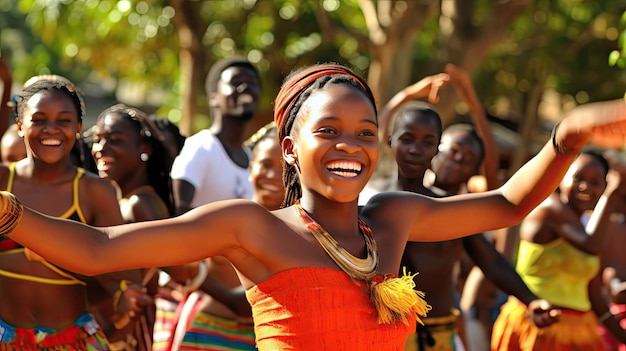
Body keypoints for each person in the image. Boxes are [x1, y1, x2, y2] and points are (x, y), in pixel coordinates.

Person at [2, 63, 626, 351]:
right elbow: (98, 249)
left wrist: (566, 138)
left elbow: (509, 203)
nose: (350, 146)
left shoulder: (391, 217)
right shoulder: (250, 227)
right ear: (290, 147)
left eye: (363, 131)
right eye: (328, 131)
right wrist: (9, 214)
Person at [378, 69, 557, 351]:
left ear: (435, 149)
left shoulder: (449, 209)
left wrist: (530, 297)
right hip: (385, 333)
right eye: (407, 139)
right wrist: (409, 93)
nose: (415, 149)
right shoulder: (374, 203)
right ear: (390, 142)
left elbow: (490, 260)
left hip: (440, 331)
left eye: (427, 143)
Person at [0, 77, 127, 350]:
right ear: (20, 126)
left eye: (64, 120)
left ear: (79, 127)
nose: (51, 129)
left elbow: (120, 273)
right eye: (39, 119)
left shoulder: (95, 191)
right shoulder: (2, 181)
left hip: (74, 340)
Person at [169, 57, 262, 350]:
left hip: (246, 312)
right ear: (213, 97)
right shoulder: (202, 147)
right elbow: (177, 223)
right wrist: (224, 295)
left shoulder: (257, 161)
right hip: (203, 301)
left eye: (252, 83)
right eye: (235, 82)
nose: (246, 87)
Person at [491, 149, 626, 350]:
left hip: (580, 333)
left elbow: (595, 297)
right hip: (537, 326)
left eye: (595, 182)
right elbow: (591, 245)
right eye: (578, 177)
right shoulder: (550, 209)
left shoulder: (588, 225)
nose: (585, 187)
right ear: (562, 178)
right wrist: (611, 195)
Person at [89, 103, 179, 350]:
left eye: (115, 140)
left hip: (129, 334)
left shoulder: (142, 204)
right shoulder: (121, 201)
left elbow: (140, 288)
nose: (100, 148)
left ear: (144, 150)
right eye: (97, 139)